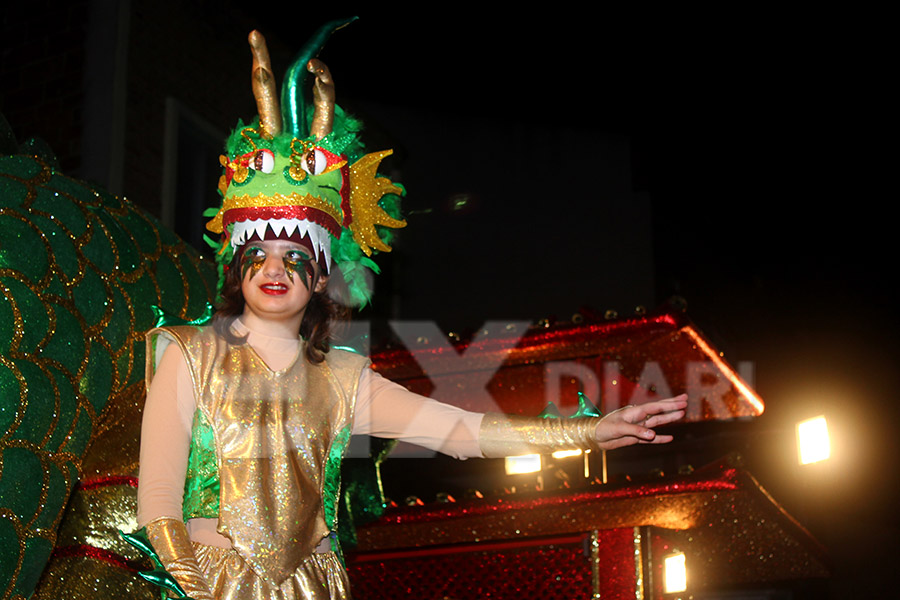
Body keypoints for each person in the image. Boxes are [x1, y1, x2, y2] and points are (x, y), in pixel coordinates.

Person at [135, 26, 687, 600]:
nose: (275, 270)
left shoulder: (343, 379)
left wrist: (590, 431)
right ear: (236, 263)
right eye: (259, 253)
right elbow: (158, 501)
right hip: (207, 583)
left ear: (322, 274)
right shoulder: (187, 353)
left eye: (295, 255)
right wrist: (195, 590)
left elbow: (462, 431)